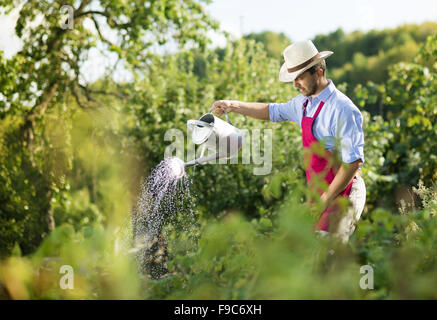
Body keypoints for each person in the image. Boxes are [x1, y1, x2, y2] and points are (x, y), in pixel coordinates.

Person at [210, 40, 366, 242]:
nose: (294, 84)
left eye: (299, 77)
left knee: (328, 256)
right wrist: (232, 105)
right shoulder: (303, 104)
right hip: (320, 194)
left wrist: (324, 200)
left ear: (318, 72)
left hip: (345, 191)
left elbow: (353, 162)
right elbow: (272, 111)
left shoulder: (343, 109)